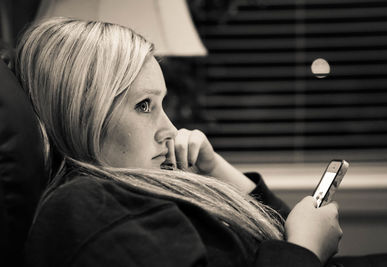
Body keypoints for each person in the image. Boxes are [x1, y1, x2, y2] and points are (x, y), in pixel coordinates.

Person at [16, 17, 343, 267]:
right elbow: (291, 245)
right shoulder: (87, 206)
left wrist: (215, 168)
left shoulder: (138, 190)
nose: (170, 130)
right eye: (144, 105)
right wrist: (306, 250)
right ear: (82, 115)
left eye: (162, 105)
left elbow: (273, 235)